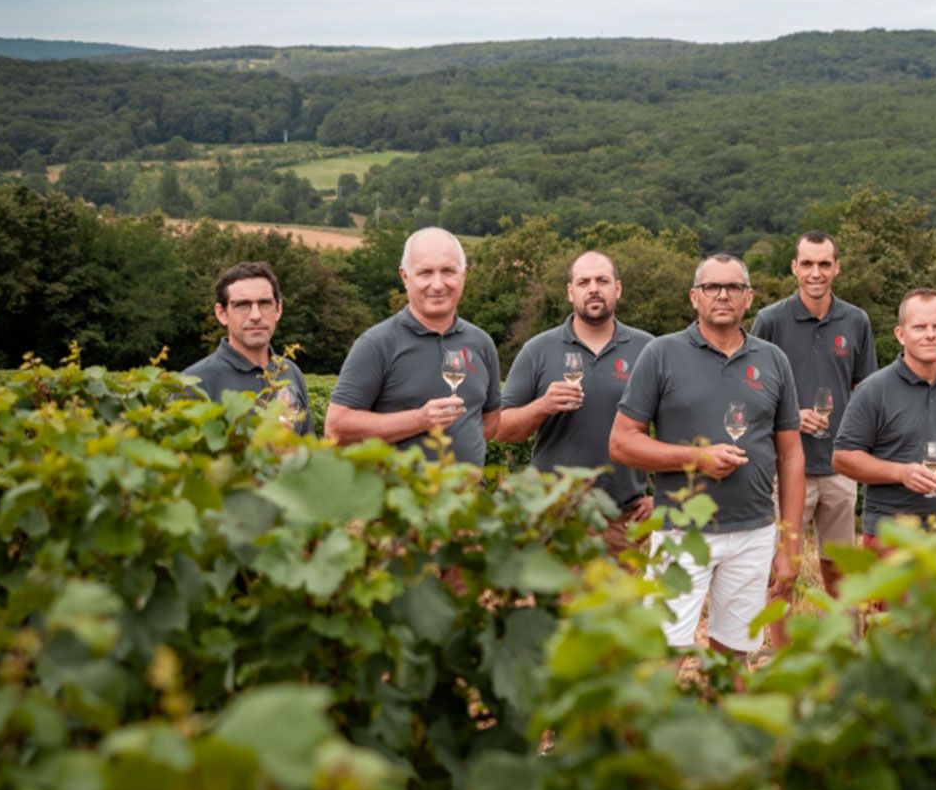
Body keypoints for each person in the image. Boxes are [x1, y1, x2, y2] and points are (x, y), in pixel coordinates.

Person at [609, 254, 806, 658]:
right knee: (663, 651)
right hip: (683, 530)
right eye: (711, 287)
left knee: (733, 655)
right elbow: (622, 442)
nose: (722, 295)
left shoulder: (773, 361)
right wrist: (696, 459)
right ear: (694, 297)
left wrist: (789, 543)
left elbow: (791, 457)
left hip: (753, 531)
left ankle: (724, 722)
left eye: (733, 287)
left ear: (748, 297)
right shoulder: (661, 354)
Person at [495, 251, 654, 554]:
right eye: (583, 282)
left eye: (602, 280)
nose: (593, 288)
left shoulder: (648, 349)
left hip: (623, 519)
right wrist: (543, 406)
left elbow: (674, 429)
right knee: (555, 602)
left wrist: (663, 497)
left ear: (617, 289)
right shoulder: (538, 350)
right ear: (571, 292)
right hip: (554, 516)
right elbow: (501, 429)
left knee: (616, 603)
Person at [750, 231, 878, 597]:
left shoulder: (857, 321)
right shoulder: (770, 321)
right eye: (807, 263)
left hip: (840, 466)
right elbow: (753, 391)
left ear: (837, 267)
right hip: (785, 469)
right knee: (780, 571)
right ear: (794, 268)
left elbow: (864, 392)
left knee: (840, 569)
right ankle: (784, 655)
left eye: (824, 263)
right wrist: (792, 415)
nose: (816, 272)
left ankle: (849, 649)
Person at [326, 228, 503, 466]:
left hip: (469, 501)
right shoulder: (377, 344)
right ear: (405, 277)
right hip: (399, 500)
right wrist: (419, 421)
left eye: (448, 271)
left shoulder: (481, 343)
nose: (438, 284)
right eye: (425, 273)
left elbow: (489, 422)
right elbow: (336, 428)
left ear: (463, 275)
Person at [833, 289, 936, 542]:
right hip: (891, 537)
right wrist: (900, 473)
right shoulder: (874, 389)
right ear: (901, 334)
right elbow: (842, 458)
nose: (930, 335)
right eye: (919, 327)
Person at [182, 261, 311, 435]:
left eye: (265, 304)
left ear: (278, 309)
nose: (256, 315)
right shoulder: (195, 382)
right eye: (242, 305)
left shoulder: (290, 372)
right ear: (222, 313)